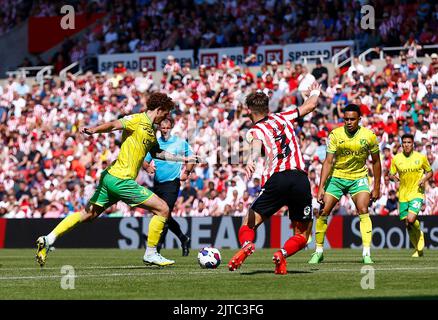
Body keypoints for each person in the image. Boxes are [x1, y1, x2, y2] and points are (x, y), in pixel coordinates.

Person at [35, 93, 198, 267]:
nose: (166, 117)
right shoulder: (137, 120)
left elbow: (157, 153)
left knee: (88, 214)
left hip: (110, 178)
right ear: (159, 110)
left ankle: (48, 238)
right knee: (163, 209)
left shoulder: (151, 132)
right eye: (165, 113)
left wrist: (182, 159)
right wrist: (94, 130)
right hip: (121, 180)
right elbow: (114, 125)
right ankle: (151, 253)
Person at [228, 81, 321, 275]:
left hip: (277, 179)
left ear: (249, 110)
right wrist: (315, 92)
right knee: (303, 234)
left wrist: (251, 160)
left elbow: (255, 145)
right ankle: (282, 254)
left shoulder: (254, 130)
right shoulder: (283, 117)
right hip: (299, 179)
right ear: (267, 108)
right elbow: (311, 106)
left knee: (248, 223)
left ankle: (246, 245)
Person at [309, 104, 381, 264]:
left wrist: (377, 187)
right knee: (323, 211)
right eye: (346, 119)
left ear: (359, 119)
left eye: (352, 119)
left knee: (363, 209)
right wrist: (321, 187)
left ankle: (366, 253)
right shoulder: (335, 134)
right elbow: (328, 162)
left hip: (358, 177)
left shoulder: (369, 136)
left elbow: (376, 162)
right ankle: (318, 251)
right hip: (337, 177)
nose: (349, 122)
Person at [144, 118, 194, 256]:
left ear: (171, 127)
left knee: (162, 214)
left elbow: (191, 157)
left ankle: (156, 247)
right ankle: (184, 238)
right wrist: (147, 167)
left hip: (172, 183)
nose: (165, 130)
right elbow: (145, 161)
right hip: (158, 184)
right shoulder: (155, 144)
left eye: (167, 128)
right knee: (163, 214)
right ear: (159, 128)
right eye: (163, 128)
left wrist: (187, 172)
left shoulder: (179, 142)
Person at [389, 134, 433, 257]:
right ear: (402, 144)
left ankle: (420, 234)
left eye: (409, 142)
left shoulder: (421, 157)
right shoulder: (396, 159)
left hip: (416, 193)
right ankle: (418, 250)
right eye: (404, 142)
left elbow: (430, 172)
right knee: (407, 224)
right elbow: (391, 174)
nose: (407, 144)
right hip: (403, 194)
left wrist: (423, 180)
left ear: (413, 144)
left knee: (411, 219)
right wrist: (393, 178)